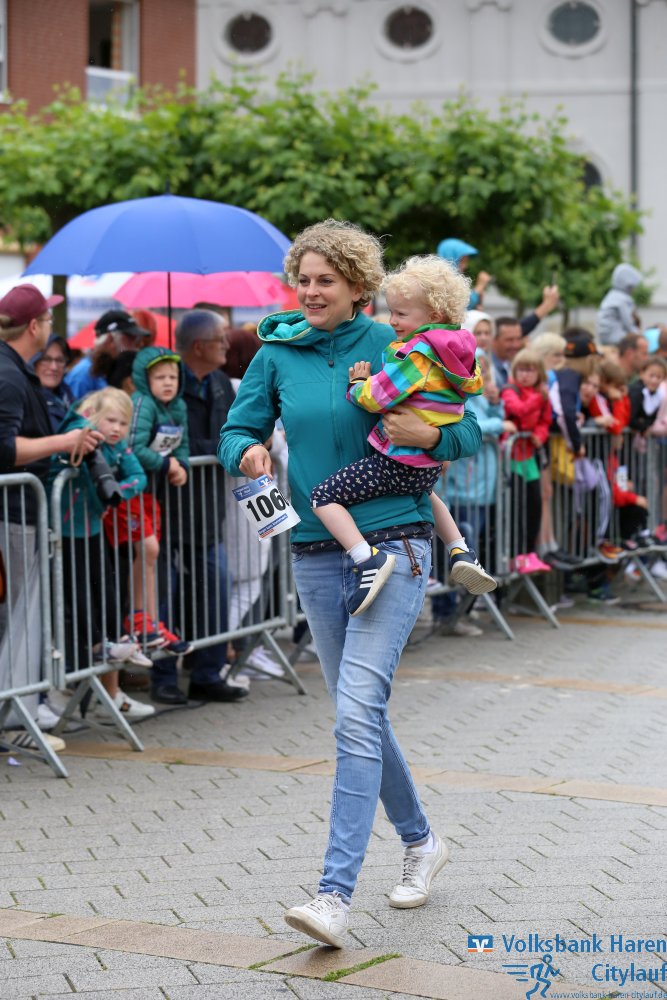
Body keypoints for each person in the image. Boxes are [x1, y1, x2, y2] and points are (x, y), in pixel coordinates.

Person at [219, 219, 482, 949]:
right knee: (359, 715)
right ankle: (422, 841)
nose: (309, 291)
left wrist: (432, 436)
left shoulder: (398, 340)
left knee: (355, 714)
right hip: (313, 548)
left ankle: (333, 895)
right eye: (301, 280)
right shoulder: (276, 352)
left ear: (358, 286)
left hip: (396, 542)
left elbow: (468, 429)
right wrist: (245, 454)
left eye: (324, 281)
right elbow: (235, 430)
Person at [309, 255, 495, 614]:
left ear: (433, 315)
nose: (392, 320)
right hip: (426, 467)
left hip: (398, 460)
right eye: (391, 312)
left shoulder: (418, 355)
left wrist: (358, 384)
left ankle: (367, 558)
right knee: (426, 491)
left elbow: (379, 396)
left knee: (321, 497)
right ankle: (460, 549)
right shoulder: (458, 351)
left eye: (401, 314)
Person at [52, 388, 155, 720]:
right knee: (78, 599)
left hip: (94, 528)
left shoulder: (118, 446)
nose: (116, 428)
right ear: (93, 415)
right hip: (66, 532)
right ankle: (93, 656)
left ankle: (115, 642)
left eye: (123, 423)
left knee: (107, 589)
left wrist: (115, 492)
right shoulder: (79, 430)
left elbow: (138, 476)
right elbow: (70, 427)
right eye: (110, 420)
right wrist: (84, 424)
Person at [168, 309, 248, 705]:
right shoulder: (167, 381)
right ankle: (164, 677)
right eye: (220, 338)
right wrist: (217, 448)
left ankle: (207, 674)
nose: (227, 345)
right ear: (199, 346)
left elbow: (235, 431)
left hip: (207, 510)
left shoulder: (219, 383)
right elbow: (168, 440)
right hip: (167, 510)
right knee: (164, 597)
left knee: (216, 586)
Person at [109, 346, 193, 657]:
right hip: (128, 490)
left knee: (149, 556)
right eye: (160, 377)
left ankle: (150, 623)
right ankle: (138, 619)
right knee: (149, 550)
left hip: (150, 494)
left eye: (173, 376)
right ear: (145, 379)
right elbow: (133, 447)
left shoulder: (178, 406)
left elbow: (181, 445)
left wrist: (182, 467)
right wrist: (167, 465)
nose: (168, 382)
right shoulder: (142, 404)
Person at [501, 348, 553, 573]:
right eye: (521, 370)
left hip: (529, 455)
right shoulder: (510, 390)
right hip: (511, 457)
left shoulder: (542, 395)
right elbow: (518, 409)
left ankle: (530, 553)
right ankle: (517, 555)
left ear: (539, 373)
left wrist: (539, 435)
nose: (525, 375)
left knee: (534, 507)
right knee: (517, 509)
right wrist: (538, 397)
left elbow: (545, 421)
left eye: (530, 370)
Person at [65, 310, 150, 399]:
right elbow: (72, 407)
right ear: (110, 340)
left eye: (137, 338)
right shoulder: (83, 374)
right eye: (131, 338)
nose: (139, 344)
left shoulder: (117, 369)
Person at [30, 334, 75, 432]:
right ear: (33, 362)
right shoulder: (25, 400)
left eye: (60, 360)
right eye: (46, 359)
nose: (54, 367)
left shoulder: (67, 396)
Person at [435, 237, 491, 308]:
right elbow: (459, 306)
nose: (465, 266)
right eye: (462, 261)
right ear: (451, 257)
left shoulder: (449, 279)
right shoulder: (438, 280)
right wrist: (479, 287)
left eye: (466, 261)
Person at [596, 263, 642, 346]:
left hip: (604, 338)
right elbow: (628, 323)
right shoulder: (623, 299)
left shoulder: (611, 295)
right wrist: (640, 337)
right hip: (617, 338)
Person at [628, 356, 667, 434]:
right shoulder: (636, 392)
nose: (654, 380)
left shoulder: (659, 394)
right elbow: (631, 418)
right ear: (642, 374)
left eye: (659, 377)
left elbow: (653, 418)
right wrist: (643, 426)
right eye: (651, 375)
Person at [489, 316, 523, 389]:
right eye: (509, 340)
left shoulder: (519, 364)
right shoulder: (487, 368)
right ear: (494, 340)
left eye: (519, 339)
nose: (516, 345)